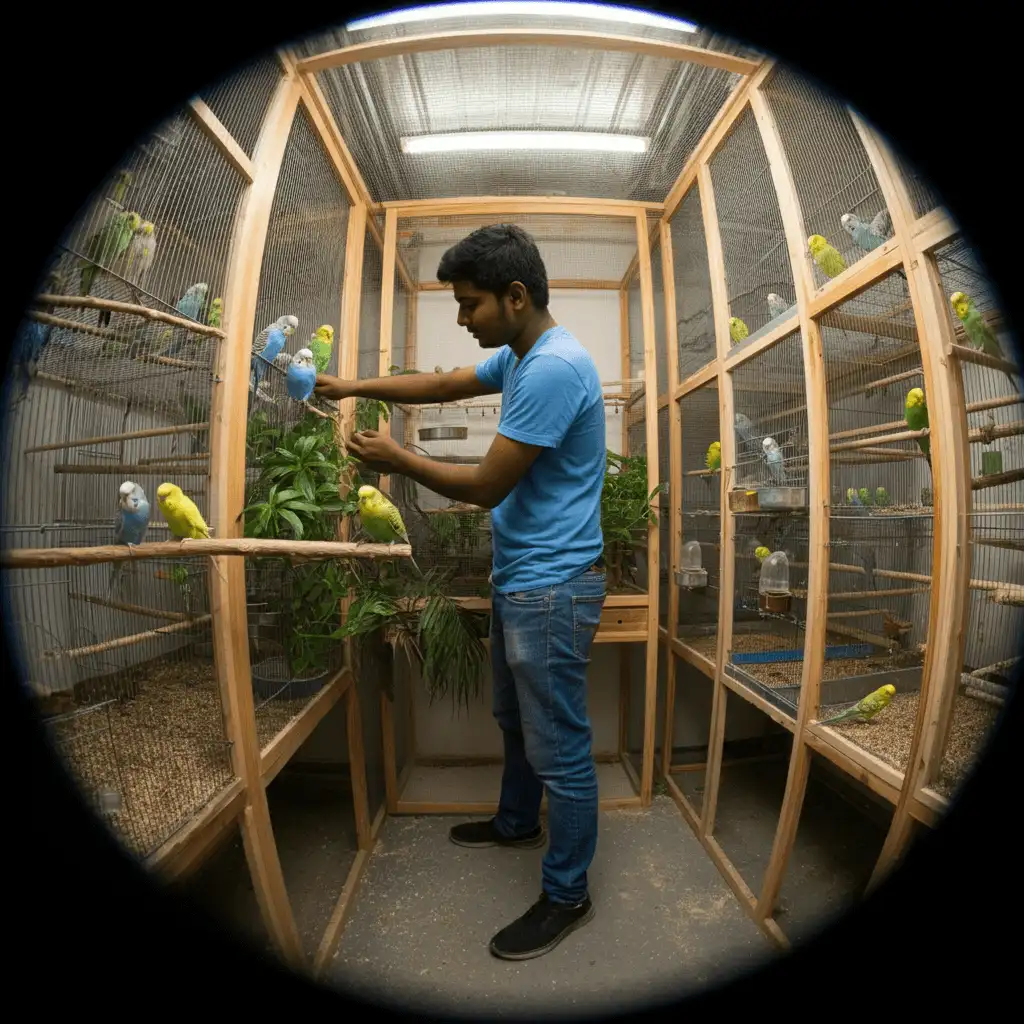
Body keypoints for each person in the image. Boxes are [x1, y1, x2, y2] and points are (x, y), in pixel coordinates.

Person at [315, 223, 607, 961]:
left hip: (552, 591)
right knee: (514, 719)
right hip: (523, 580)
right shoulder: (521, 355)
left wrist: (396, 457)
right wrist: (353, 385)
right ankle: (518, 821)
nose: (461, 317)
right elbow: (441, 384)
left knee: (560, 747)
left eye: (470, 303)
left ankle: (568, 893)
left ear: (516, 297)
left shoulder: (552, 370)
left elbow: (483, 487)